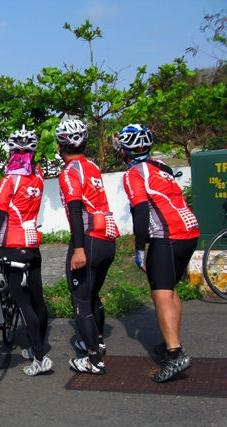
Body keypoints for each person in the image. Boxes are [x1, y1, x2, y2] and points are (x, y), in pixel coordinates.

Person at [115, 124, 198, 382]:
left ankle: (175, 354)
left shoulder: (133, 174)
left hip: (168, 236)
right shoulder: (161, 166)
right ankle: (171, 341)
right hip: (190, 230)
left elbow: (140, 210)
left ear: (126, 151)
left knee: (160, 294)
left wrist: (139, 247)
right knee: (170, 289)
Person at [0, 125, 51, 376]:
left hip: (11, 246)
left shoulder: (10, 179)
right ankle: (38, 346)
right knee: (37, 299)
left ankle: (39, 357)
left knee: (22, 300)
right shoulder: (38, 177)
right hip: (32, 244)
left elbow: (0, 215)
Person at [56, 116, 119, 375]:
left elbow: (75, 209)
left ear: (61, 146)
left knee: (80, 300)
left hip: (88, 240)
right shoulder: (92, 166)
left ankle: (94, 360)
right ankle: (98, 341)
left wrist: (79, 249)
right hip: (108, 238)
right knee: (93, 295)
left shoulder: (69, 173)